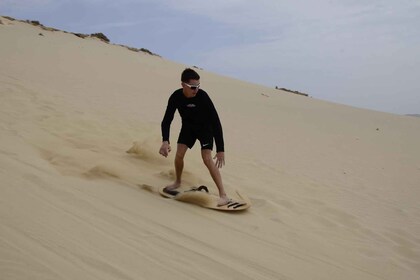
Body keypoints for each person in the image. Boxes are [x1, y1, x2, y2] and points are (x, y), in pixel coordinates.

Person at [159, 68, 230, 206]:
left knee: (207, 158)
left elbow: (216, 122)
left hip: (205, 129)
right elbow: (167, 120)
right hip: (188, 129)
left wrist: (220, 149)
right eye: (192, 87)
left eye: (198, 86)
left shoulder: (203, 97)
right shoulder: (176, 97)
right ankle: (178, 181)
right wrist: (165, 141)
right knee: (179, 155)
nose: (195, 90)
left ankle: (223, 195)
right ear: (183, 85)